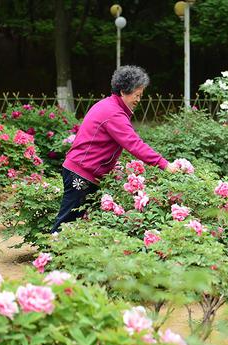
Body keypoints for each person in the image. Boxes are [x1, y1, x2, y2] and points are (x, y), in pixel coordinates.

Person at [51, 65, 174, 233]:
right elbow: (134, 144)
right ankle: (51, 255)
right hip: (80, 173)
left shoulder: (109, 106)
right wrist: (165, 165)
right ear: (123, 91)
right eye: (137, 95)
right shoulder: (113, 112)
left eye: (141, 95)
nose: (139, 100)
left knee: (78, 222)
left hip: (83, 171)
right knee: (67, 221)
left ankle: (64, 255)